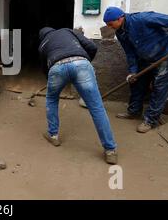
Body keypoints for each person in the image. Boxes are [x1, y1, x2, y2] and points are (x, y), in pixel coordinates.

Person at [38, 27, 118, 165]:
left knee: (51, 99)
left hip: (56, 68)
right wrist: (85, 61)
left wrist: (52, 81)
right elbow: (92, 46)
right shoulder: (66, 31)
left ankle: (53, 135)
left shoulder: (43, 44)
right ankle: (110, 150)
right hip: (81, 64)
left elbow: (45, 68)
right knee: (96, 107)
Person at [103, 7, 168, 133]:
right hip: (144, 58)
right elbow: (130, 53)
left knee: (159, 88)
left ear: (120, 18)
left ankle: (150, 120)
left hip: (165, 56)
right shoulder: (120, 32)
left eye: (110, 24)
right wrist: (133, 71)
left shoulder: (143, 18)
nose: (109, 27)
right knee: (136, 82)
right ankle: (134, 112)